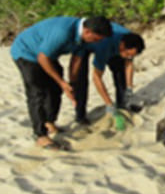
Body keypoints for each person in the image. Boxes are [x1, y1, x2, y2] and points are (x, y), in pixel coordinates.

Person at [11, 16, 112, 149]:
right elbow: (42, 57)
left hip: (48, 55)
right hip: (27, 52)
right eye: (96, 39)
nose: (97, 43)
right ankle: (41, 136)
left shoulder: (85, 39)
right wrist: (61, 82)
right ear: (87, 32)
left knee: (55, 90)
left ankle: (50, 122)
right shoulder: (62, 32)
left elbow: (76, 62)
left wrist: (71, 86)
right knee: (37, 93)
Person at [71, 22, 145, 124]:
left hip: (115, 45)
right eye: (128, 54)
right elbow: (96, 77)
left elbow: (128, 64)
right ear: (122, 46)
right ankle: (80, 115)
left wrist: (129, 87)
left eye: (131, 55)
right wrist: (109, 103)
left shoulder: (131, 40)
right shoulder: (104, 47)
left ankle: (122, 106)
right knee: (81, 80)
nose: (129, 57)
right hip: (85, 46)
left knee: (120, 72)